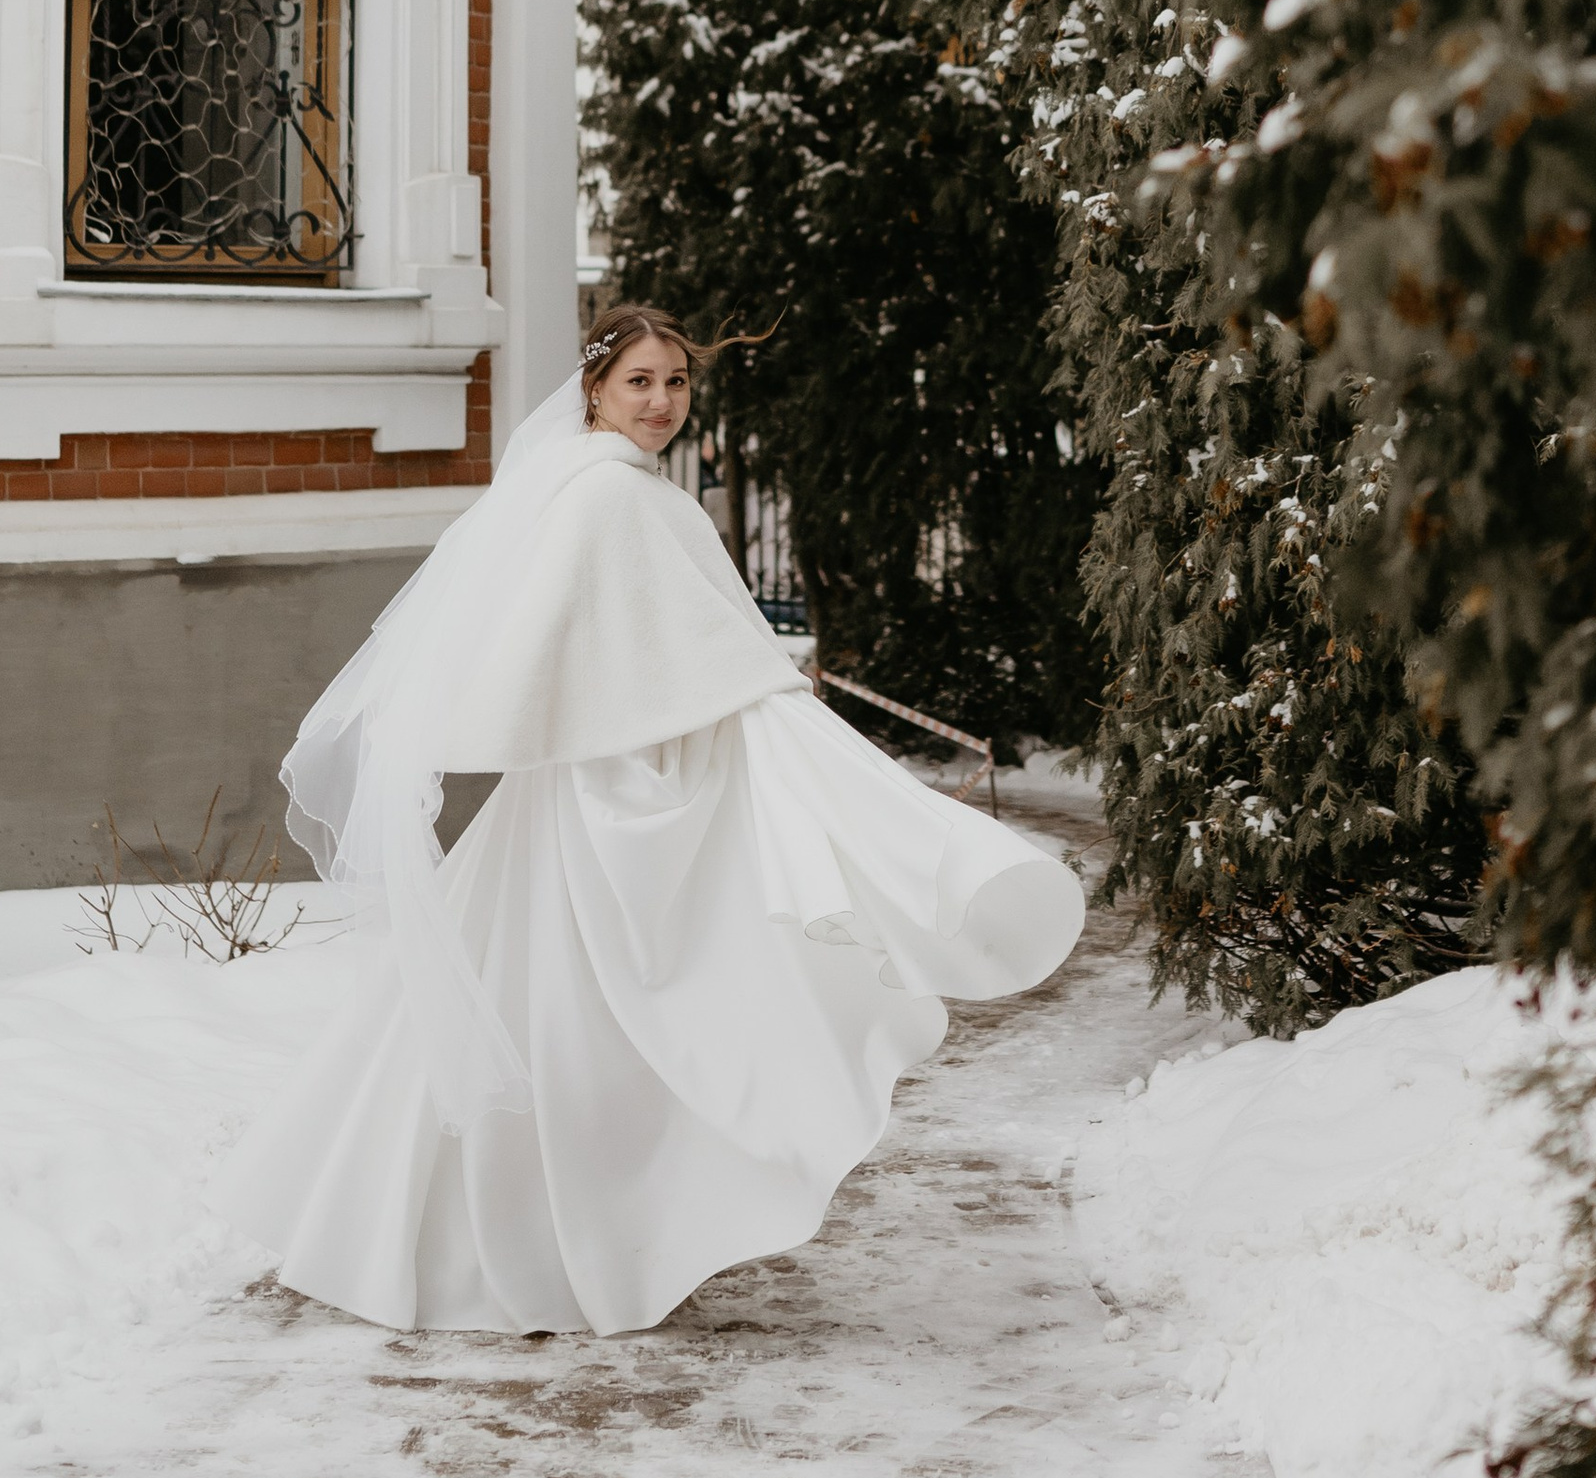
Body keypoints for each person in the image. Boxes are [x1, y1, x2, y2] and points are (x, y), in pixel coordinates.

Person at [220, 305, 1086, 1334]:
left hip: (605, 787)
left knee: (553, 1025)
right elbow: (579, 655)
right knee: (575, 1030)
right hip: (593, 810)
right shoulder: (606, 501)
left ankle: (434, 1234)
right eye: (639, 380)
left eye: (675, 382)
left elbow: (638, 653)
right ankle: (519, 1248)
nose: (662, 401)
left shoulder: (615, 493)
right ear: (593, 388)